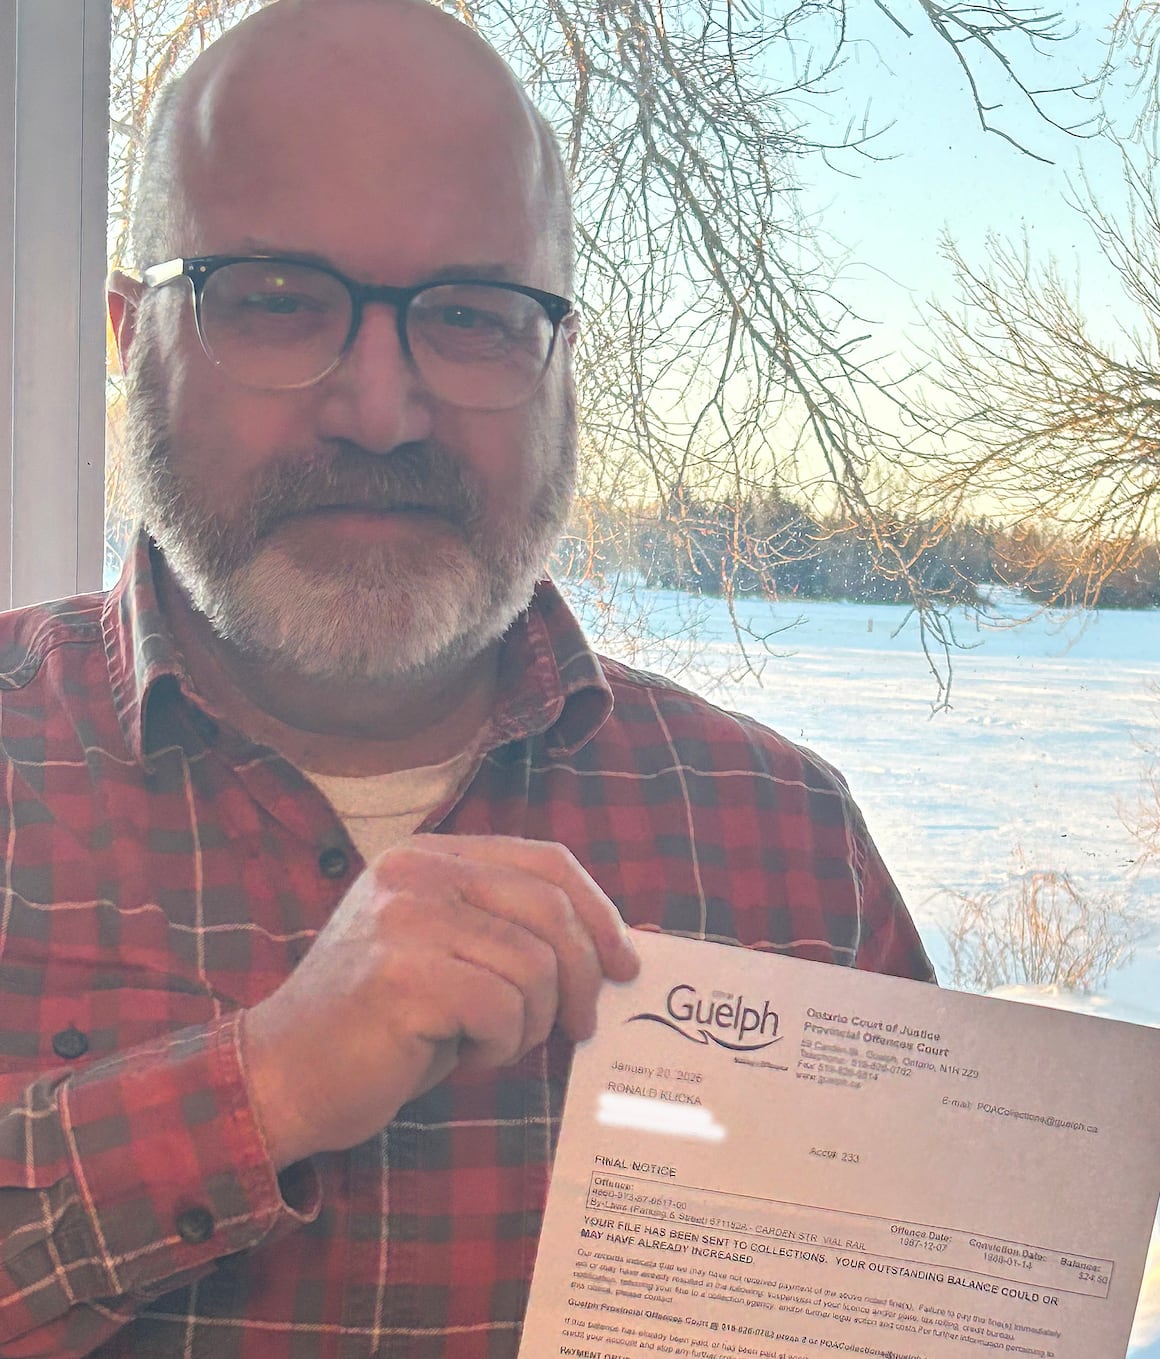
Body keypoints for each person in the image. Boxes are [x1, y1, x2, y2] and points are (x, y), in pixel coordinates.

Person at [0, 1, 932, 1354]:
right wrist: (261, 1093)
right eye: (276, 300)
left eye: (475, 318)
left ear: (561, 369)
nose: (381, 413)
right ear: (131, 338)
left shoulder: (789, 851)